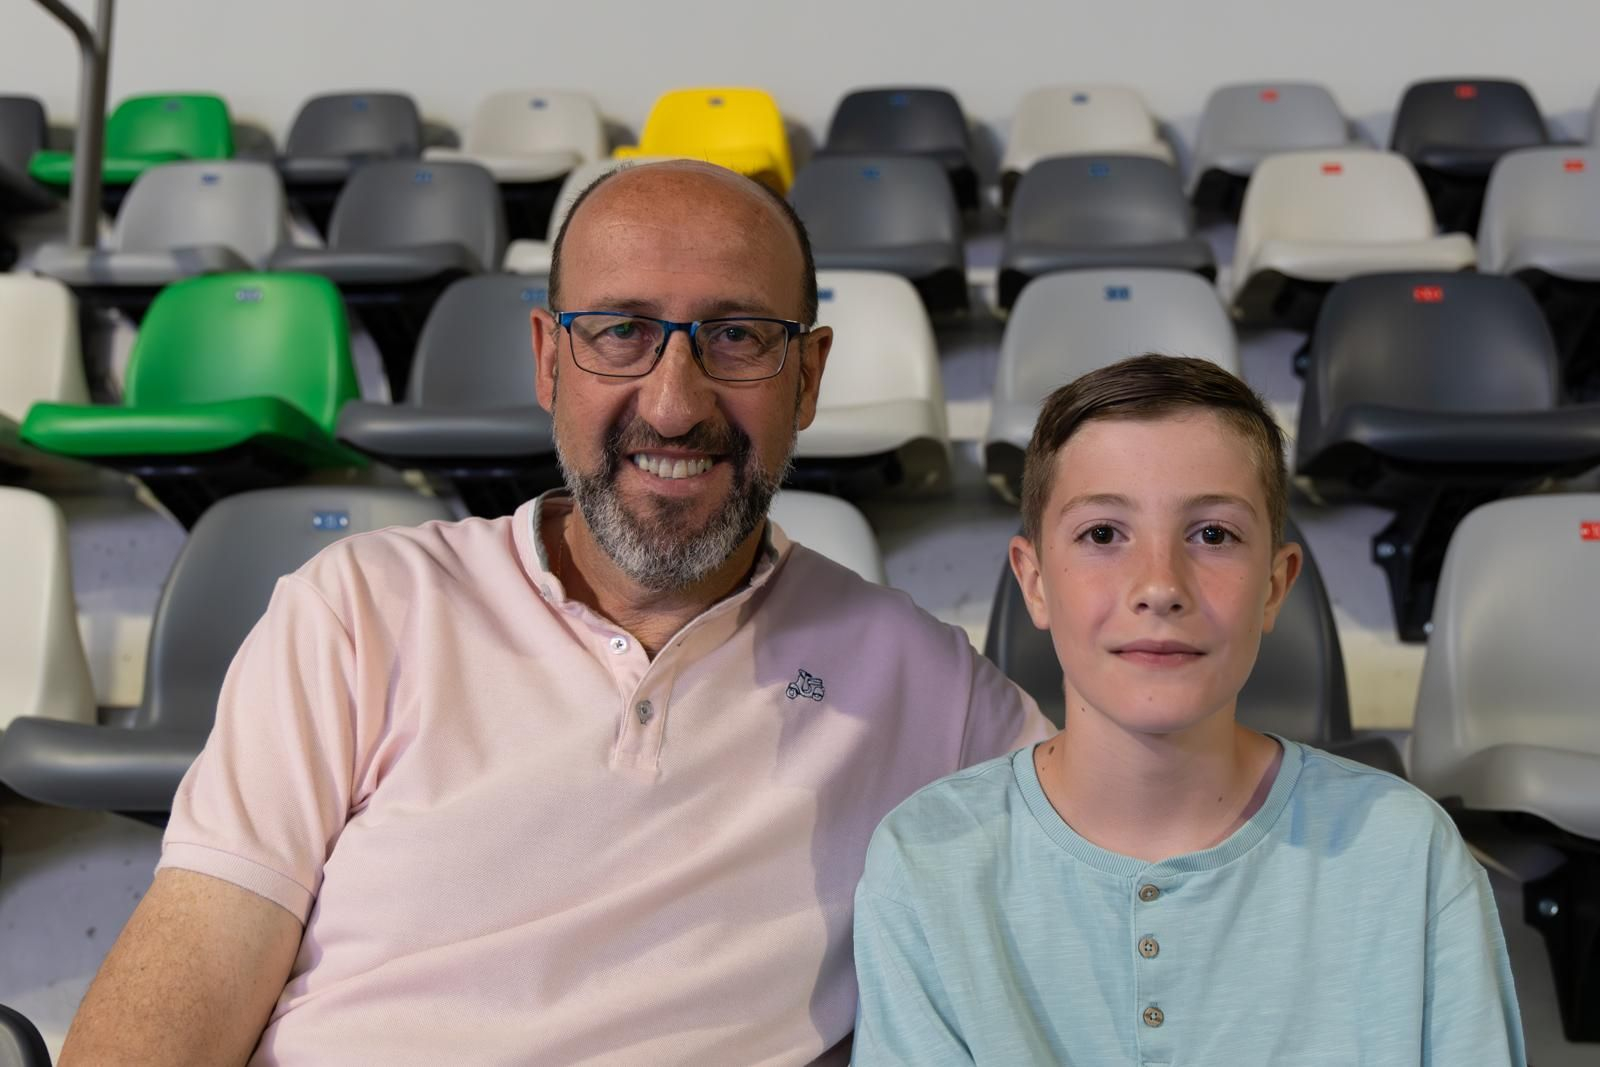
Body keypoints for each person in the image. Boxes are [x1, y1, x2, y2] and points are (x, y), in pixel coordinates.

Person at [58, 161, 1048, 1067]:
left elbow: (1142, 856)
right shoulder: (358, 606)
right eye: (620, 331)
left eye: (737, 336)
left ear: (809, 376)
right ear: (547, 357)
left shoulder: (924, 681)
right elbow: (186, 979)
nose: (672, 403)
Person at [851, 355, 1526, 1065]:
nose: (1160, 586)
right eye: (1103, 534)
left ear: (1275, 583)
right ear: (1035, 581)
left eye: (1212, 534)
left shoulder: (1407, 853)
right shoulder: (927, 862)